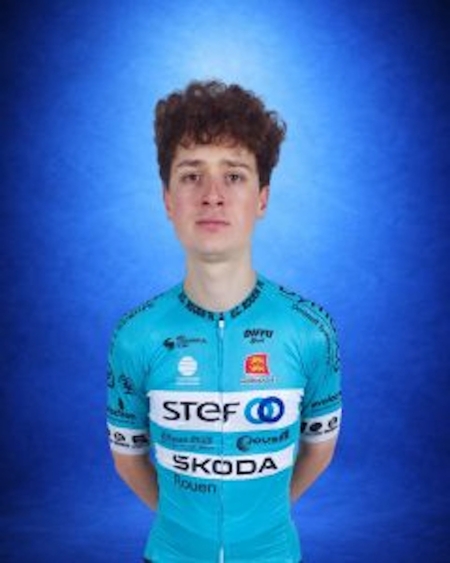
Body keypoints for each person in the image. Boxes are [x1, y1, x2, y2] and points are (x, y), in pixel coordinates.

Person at [106, 80, 342, 563]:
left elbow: (320, 447)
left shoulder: (310, 329)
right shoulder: (134, 335)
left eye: (233, 175)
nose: (212, 195)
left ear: (262, 199)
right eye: (192, 175)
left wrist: (260, 524)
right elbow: (128, 457)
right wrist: (183, 528)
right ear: (167, 199)